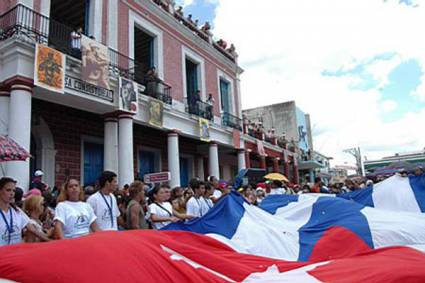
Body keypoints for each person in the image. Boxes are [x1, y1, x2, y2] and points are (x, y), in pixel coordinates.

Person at [0, 177, 49, 246]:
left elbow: (33, 230)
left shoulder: (17, 211)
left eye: (13, 191)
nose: (12, 193)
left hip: (15, 253)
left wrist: (51, 241)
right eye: (8, 190)